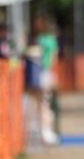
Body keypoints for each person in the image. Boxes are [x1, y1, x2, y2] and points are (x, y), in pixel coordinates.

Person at [23, 15, 59, 146]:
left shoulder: (40, 40)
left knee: (38, 102)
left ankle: (40, 131)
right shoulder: (48, 40)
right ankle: (42, 131)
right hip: (42, 73)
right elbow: (54, 57)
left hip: (40, 73)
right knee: (41, 103)